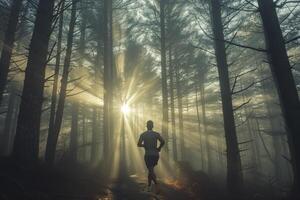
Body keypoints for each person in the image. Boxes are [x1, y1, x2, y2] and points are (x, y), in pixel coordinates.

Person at [137, 120, 165, 192]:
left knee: (151, 169)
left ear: (147, 126)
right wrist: (159, 148)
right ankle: (149, 186)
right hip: (155, 155)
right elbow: (163, 141)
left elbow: (138, 144)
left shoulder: (143, 134)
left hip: (148, 155)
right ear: (152, 126)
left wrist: (144, 145)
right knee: (151, 169)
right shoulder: (156, 134)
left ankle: (156, 184)